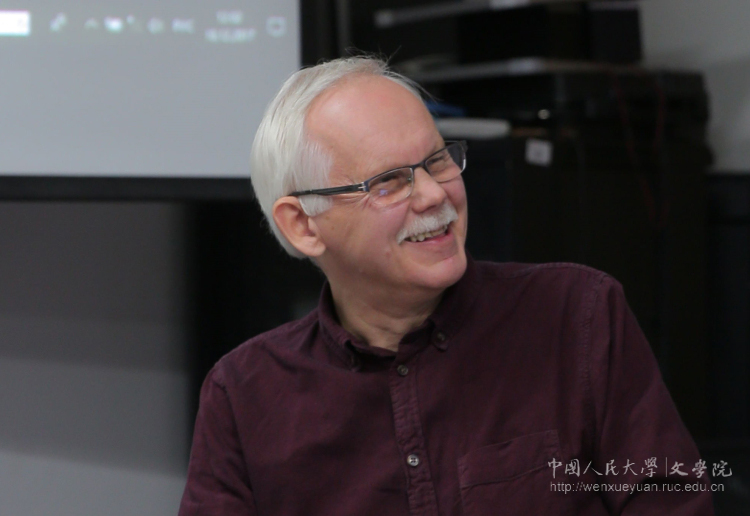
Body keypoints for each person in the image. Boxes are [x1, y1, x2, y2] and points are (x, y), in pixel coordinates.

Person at [178, 57, 713, 515]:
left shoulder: (577, 316)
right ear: (303, 225)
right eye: (388, 182)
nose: (435, 195)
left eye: (437, 161)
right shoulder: (243, 396)